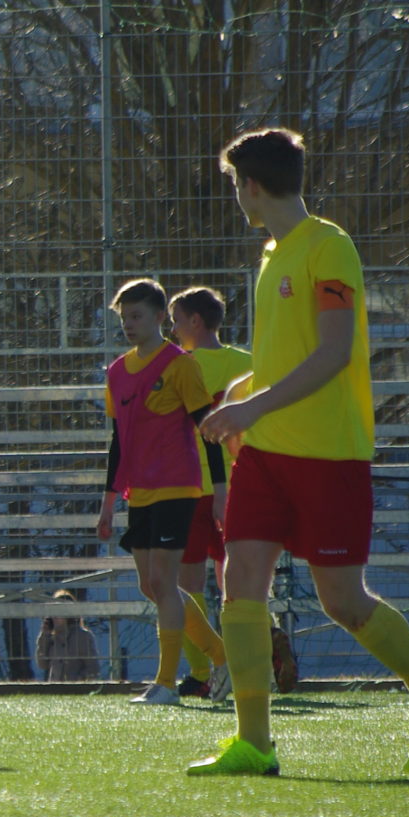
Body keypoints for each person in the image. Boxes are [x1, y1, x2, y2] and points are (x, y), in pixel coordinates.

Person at [192, 126, 409, 776]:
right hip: (266, 453)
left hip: (329, 454)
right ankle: (254, 742)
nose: (235, 195)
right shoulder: (271, 254)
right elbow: (283, 356)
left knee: (341, 601)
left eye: (234, 184)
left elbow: (334, 352)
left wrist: (252, 405)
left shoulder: (329, 246)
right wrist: (243, 390)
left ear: (251, 185)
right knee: (239, 579)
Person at [96, 278, 230, 707]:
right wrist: (108, 502)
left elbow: (208, 430)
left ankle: (166, 683)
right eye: (124, 318)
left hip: (177, 485)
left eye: (136, 316)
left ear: (159, 317)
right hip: (140, 491)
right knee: (150, 586)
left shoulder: (180, 365)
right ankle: (221, 655)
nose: (129, 324)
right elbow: (119, 442)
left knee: (162, 582)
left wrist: (221, 491)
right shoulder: (117, 372)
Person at [170, 285, 251, 698]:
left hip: (190, 487)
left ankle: (203, 672)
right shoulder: (248, 363)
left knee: (186, 585)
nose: (173, 330)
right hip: (240, 485)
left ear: (195, 321)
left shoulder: (179, 366)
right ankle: (253, 663)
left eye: (176, 322)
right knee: (241, 585)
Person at [35, 590, 100, 683]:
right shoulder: (51, 637)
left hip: (75, 688)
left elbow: (93, 668)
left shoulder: (82, 636)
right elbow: (42, 664)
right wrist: (44, 635)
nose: (55, 616)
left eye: (59, 612)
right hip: (54, 688)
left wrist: (76, 682)